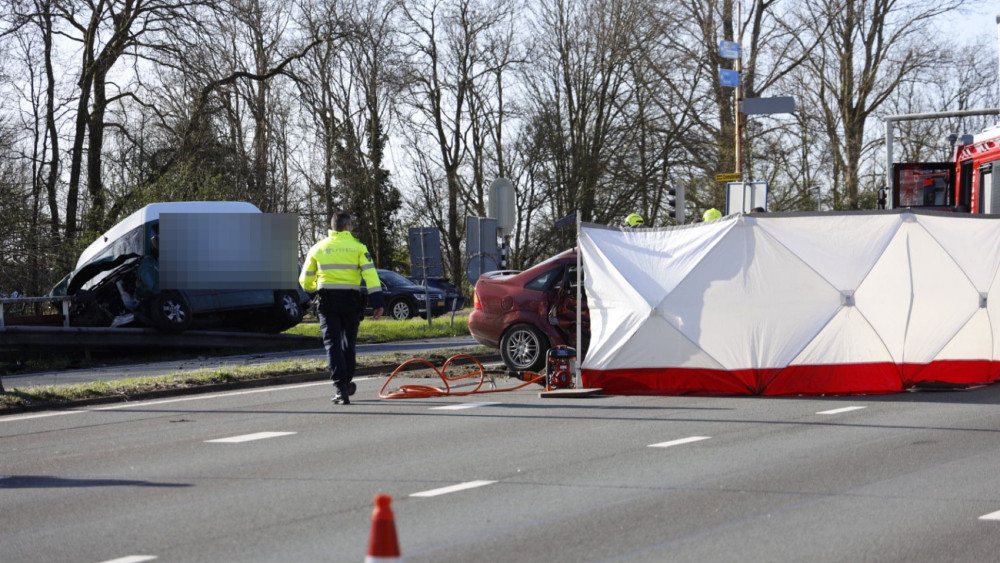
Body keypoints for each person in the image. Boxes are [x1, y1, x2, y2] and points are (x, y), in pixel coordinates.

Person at [299, 212, 385, 405]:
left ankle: (340, 388)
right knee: (348, 343)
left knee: (332, 343)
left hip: (327, 301)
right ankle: (346, 382)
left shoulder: (318, 248)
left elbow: (305, 280)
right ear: (347, 227)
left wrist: (315, 294)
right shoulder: (358, 248)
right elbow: (371, 276)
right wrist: (378, 303)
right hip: (351, 301)